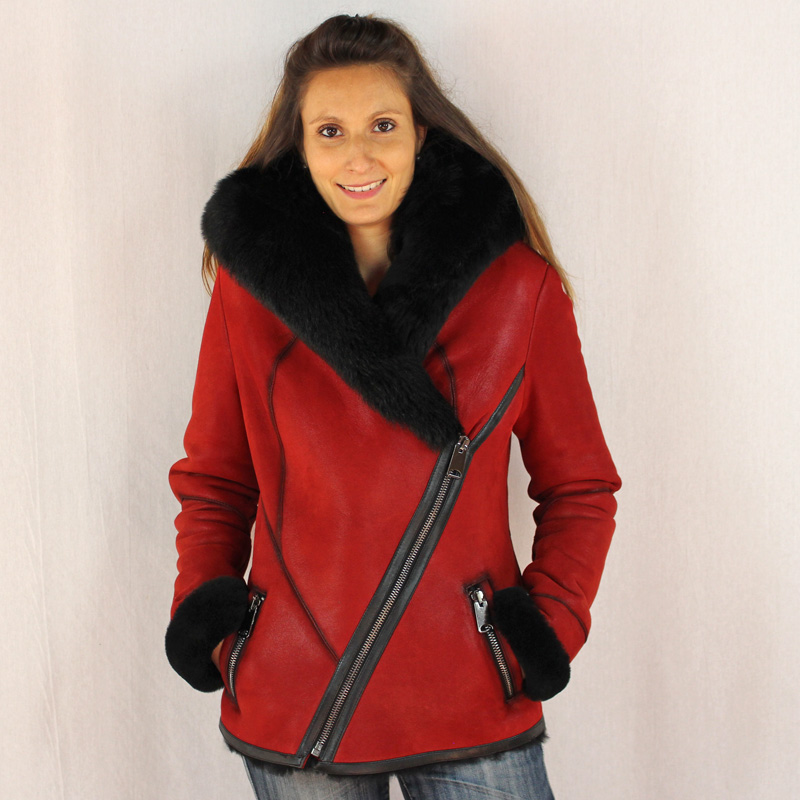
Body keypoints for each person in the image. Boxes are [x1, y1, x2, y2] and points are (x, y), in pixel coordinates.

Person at [164, 12, 621, 800]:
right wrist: (210, 619)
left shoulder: (519, 290)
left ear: (420, 135)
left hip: (471, 693)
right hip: (297, 697)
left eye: (382, 125)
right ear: (301, 150)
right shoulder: (249, 294)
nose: (359, 155)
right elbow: (215, 480)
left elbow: (580, 488)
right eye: (329, 131)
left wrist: (545, 630)